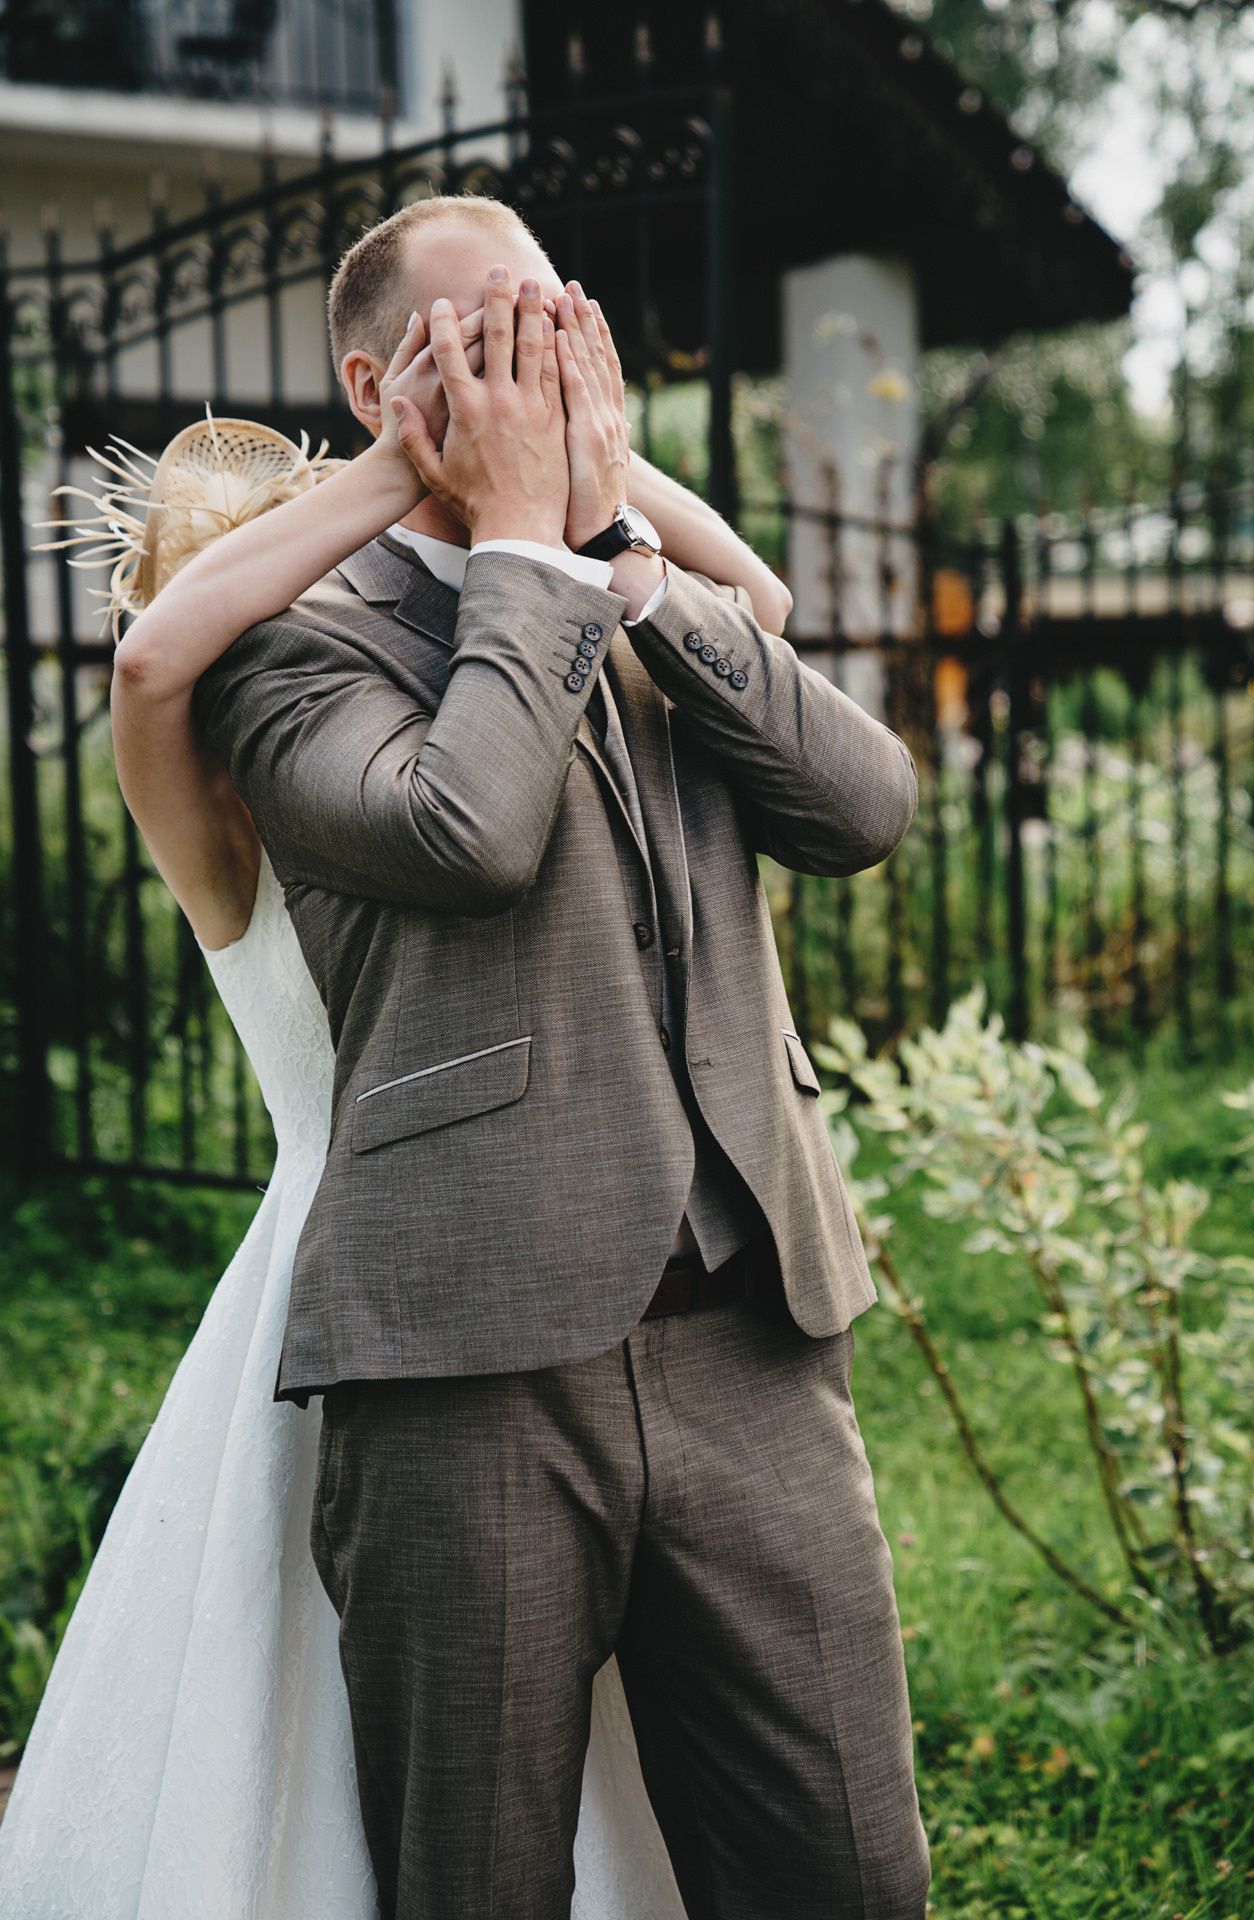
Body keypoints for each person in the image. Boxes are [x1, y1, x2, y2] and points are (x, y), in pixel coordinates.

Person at [0, 217, 781, 1920]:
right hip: (372, 1288)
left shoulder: (453, 704)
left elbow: (761, 605)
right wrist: (400, 465)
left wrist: (572, 433)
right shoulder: (222, 777)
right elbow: (152, 657)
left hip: (562, 1271)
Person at [195, 192, 927, 1918]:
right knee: (475, 1881)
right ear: (376, 387)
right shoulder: (292, 646)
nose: (538, 363)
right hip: (464, 1364)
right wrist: (528, 550)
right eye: (487, 336)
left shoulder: (656, 589)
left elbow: (865, 808)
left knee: (850, 1875)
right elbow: (466, 831)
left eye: (557, 320)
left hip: (750, 1334)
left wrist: (624, 558)